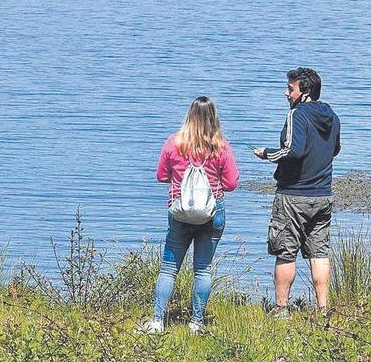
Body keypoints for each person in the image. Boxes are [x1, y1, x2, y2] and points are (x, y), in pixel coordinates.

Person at [141, 96, 239, 334]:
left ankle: (156, 321)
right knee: (203, 269)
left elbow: (161, 176)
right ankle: (196, 322)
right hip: (212, 212)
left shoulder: (174, 143)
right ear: (214, 118)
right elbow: (232, 183)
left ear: (189, 116)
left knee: (168, 269)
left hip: (180, 212)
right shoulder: (221, 146)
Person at [253, 68, 340, 318]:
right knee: (319, 252)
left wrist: (266, 153)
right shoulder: (333, 116)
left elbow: (292, 151)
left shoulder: (297, 115)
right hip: (323, 195)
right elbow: (335, 149)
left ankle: (281, 309)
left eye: (290, 89)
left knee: (285, 251)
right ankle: (323, 309)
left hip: (293, 195)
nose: (286, 93)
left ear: (305, 92)